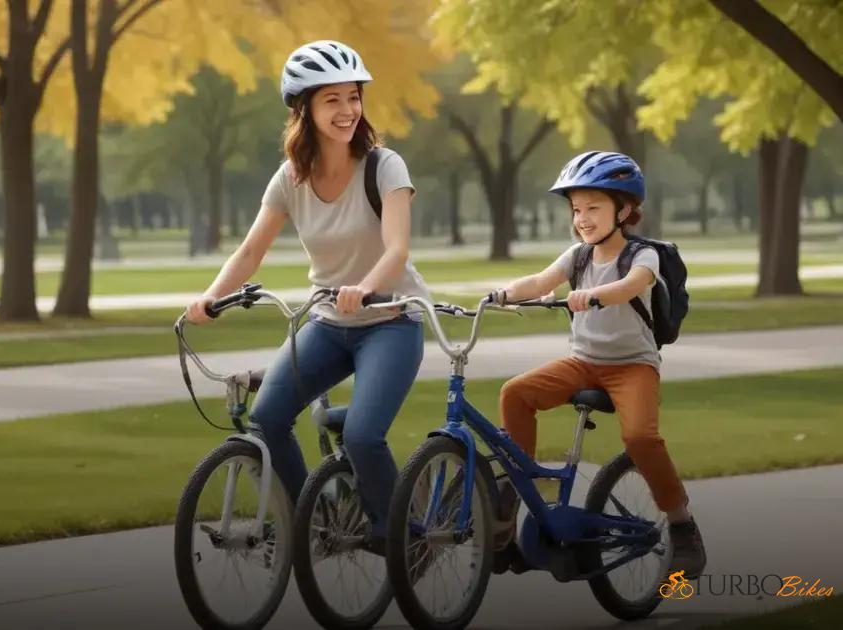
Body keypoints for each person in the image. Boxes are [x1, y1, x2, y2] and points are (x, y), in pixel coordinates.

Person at [184, 40, 432, 552]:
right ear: (304, 109)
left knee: (364, 437)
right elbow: (252, 250)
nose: (347, 111)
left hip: (390, 319)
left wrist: (365, 288)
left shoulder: (385, 166)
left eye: (353, 97)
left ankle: (400, 538)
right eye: (331, 100)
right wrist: (209, 298)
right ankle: (313, 522)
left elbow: (397, 249)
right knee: (267, 418)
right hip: (328, 322)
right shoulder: (290, 177)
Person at [488, 151, 707, 578]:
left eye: (593, 208)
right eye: (575, 210)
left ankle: (682, 525)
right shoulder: (578, 256)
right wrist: (503, 293)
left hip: (632, 367)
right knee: (515, 393)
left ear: (623, 210)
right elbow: (539, 281)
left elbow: (631, 287)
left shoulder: (643, 256)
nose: (582, 218)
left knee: (641, 438)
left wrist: (594, 296)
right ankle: (517, 495)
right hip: (583, 362)